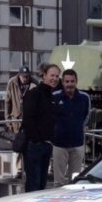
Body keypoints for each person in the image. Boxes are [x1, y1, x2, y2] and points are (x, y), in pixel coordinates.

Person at [21, 63, 61, 192]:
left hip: (46, 145)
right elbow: (28, 119)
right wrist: (37, 139)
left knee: (42, 184)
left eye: (57, 76)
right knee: (34, 185)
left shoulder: (52, 95)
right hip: (35, 146)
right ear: (44, 75)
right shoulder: (34, 94)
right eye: (52, 75)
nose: (54, 78)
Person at [51, 68, 91, 186]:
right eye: (67, 82)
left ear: (76, 81)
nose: (69, 84)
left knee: (75, 182)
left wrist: (80, 127)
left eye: (72, 81)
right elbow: (50, 117)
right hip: (59, 145)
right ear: (62, 82)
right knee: (58, 182)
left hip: (77, 144)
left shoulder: (85, 97)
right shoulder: (54, 97)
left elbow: (87, 115)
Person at [4, 65, 34, 132]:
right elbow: (7, 102)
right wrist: (8, 121)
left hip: (30, 121)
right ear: (19, 75)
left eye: (27, 77)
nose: (25, 79)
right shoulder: (12, 82)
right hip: (16, 120)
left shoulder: (34, 82)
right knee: (17, 140)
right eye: (23, 77)